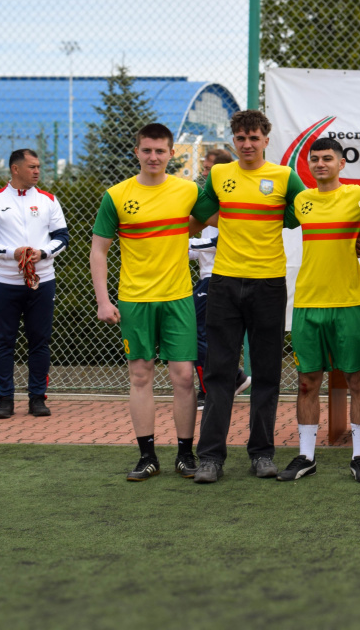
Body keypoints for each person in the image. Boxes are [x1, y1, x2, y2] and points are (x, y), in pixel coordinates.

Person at [190, 110, 307, 485]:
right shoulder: (219, 175)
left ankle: (262, 453)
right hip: (224, 282)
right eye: (240, 138)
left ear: (266, 140)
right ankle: (210, 458)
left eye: (254, 137)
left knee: (267, 372)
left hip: (268, 284)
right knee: (219, 372)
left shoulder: (285, 177)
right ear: (233, 140)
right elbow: (199, 214)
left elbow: (305, 212)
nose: (247, 144)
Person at [89, 124, 205, 481]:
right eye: (147, 150)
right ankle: (147, 456)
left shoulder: (188, 190)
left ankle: (185, 455)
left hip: (178, 297)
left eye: (160, 151)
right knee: (140, 375)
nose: (153, 157)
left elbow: (214, 219)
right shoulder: (116, 195)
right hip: (135, 300)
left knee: (183, 377)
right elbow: (98, 250)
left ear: (171, 153)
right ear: (137, 152)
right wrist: (103, 301)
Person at [276, 137, 360, 482]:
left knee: (357, 379)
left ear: (341, 163)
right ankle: (306, 456)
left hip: (348, 302)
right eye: (315, 159)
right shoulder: (301, 200)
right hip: (307, 303)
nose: (320, 164)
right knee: (307, 382)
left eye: (327, 158)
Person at [0, 148, 68, 419]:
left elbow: (62, 237)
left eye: (38, 166)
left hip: (42, 281)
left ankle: (37, 399)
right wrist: (10, 253)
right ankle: (4, 400)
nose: (37, 171)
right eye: (32, 167)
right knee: (4, 341)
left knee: (40, 341)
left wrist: (43, 253)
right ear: (15, 169)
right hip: (4, 282)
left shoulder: (49, 200)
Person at [188, 148, 249, 411]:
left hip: (217, 278)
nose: (203, 172)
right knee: (204, 333)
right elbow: (199, 249)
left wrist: (181, 241)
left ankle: (213, 388)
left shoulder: (228, 201)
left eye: (207, 168)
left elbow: (217, 242)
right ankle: (233, 378)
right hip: (208, 278)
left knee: (194, 332)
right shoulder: (208, 203)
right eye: (203, 167)